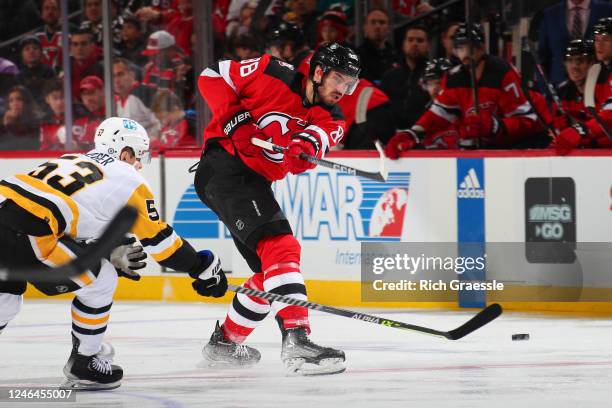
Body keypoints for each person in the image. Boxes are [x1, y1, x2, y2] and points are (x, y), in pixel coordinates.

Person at [0, 117, 227, 390]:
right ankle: (84, 362)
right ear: (125, 153)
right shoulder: (128, 178)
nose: (139, 164)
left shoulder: (69, 159)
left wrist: (107, 250)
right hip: (30, 232)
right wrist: (202, 266)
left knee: (6, 301)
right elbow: (164, 246)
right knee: (101, 279)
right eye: (138, 156)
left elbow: (68, 216)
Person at [195, 43, 360, 375]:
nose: (343, 90)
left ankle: (225, 342)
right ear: (318, 72)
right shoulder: (270, 71)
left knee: (270, 272)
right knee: (281, 246)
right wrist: (236, 122)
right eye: (339, 80)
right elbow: (210, 75)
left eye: (350, 84)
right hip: (224, 168)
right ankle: (297, 338)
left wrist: (300, 152)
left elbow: (315, 140)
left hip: (252, 182)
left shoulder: (334, 118)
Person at [384, 23, 540, 156]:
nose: (465, 54)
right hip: (475, 151)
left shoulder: (502, 72)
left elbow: (527, 120)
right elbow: (438, 114)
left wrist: (494, 126)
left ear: (482, 48)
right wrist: (412, 133)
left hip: (509, 151)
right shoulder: (454, 77)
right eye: (460, 49)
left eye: (470, 47)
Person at [553, 17, 612, 153]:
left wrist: (581, 131)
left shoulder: (601, 78)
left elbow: (610, 115)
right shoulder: (565, 91)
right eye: (597, 40)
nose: (599, 45)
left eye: (605, 40)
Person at [537, 0, 612, 84]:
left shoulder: (607, 10)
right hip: (558, 89)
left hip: (601, 87)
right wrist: (545, 91)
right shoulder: (550, 14)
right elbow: (541, 60)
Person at [380, 25, 431, 130]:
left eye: (420, 40)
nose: (415, 44)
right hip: (393, 133)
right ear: (403, 45)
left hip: (425, 132)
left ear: (428, 46)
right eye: (410, 40)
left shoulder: (435, 75)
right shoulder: (390, 76)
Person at [552, 39, 594, 133]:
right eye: (570, 60)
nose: (574, 66)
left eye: (580, 61)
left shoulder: (602, 89)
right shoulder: (561, 93)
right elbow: (558, 130)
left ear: (591, 63)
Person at [113, 58, 161, 138]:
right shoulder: (116, 102)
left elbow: (163, 124)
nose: (116, 80)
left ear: (132, 75)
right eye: (113, 76)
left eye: (120, 74)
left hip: (151, 147)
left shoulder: (143, 93)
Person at [355, 8, 398, 84]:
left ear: (388, 28)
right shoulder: (356, 57)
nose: (377, 26)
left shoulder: (397, 56)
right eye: (373, 22)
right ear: (365, 27)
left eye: (382, 22)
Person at [15, 36, 57, 108]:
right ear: (22, 55)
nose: (31, 51)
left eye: (35, 48)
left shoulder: (48, 71)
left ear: (41, 52)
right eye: (27, 49)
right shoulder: (19, 76)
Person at [0, 85, 39, 150]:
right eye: (11, 101)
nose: (15, 103)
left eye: (19, 99)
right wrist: (6, 124)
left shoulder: (36, 122)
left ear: (26, 102)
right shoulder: (3, 121)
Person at [73, 76, 105, 150]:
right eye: (84, 94)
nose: (88, 99)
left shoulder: (116, 110)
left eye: (91, 93)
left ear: (103, 91)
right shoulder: (80, 121)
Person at [39, 79, 67, 151]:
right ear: (47, 99)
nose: (59, 102)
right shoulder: (44, 123)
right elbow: (44, 150)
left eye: (62, 97)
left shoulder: (80, 118)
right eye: (55, 98)